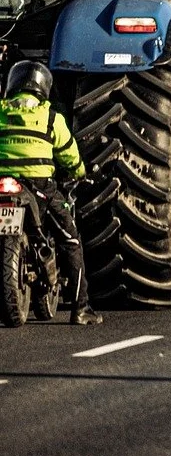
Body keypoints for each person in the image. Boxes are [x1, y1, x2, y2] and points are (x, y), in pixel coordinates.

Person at [0, 61, 99, 325]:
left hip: (3, 182)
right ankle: (81, 309)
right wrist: (79, 172)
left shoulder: (0, 111)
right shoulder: (51, 117)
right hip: (39, 187)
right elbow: (69, 154)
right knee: (70, 240)